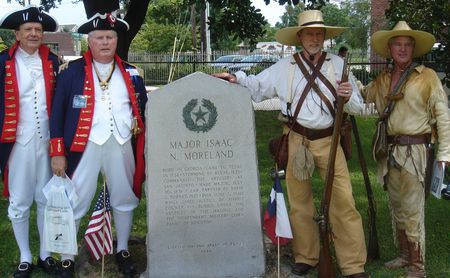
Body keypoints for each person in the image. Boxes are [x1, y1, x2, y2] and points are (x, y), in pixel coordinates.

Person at [213, 10, 368, 278]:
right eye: (309, 33)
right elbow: (257, 86)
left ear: (325, 37)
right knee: (300, 203)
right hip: (297, 140)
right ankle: (306, 256)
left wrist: (349, 94)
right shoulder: (286, 66)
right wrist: (236, 78)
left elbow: (357, 107)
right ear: (300, 36)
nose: (314, 38)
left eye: (319, 33)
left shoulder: (340, 65)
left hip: (330, 142)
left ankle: (353, 265)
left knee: (343, 202)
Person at [49, 11, 147, 278]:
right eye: (99, 37)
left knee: (124, 198)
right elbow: (56, 114)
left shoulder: (132, 72)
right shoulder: (71, 73)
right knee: (75, 199)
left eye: (110, 37)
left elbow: (143, 112)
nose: (105, 42)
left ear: (116, 40)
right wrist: (57, 152)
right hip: (84, 145)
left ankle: (123, 249)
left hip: (122, 143)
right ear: (90, 41)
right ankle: (67, 257)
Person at [363, 21, 450, 278]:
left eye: (407, 45)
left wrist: (445, 153)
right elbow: (363, 96)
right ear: (389, 48)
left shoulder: (427, 77)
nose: (402, 49)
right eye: (397, 44)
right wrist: (344, 89)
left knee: (412, 210)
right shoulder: (383, 79)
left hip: (416, 153)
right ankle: (404, 255)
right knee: (397, 207)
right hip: (390, 153)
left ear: (413, 49)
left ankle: (417, 266)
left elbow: (443, 116)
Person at [0, 5, 60, 278]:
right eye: (28, 30)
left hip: (47, 142)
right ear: (17, 33)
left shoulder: (53, 61)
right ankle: (26, 255)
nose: (34, 34)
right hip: (18, 141)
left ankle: (46, 253)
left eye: (38, 29)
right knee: (20, 201)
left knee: (46, 199)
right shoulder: (2, 62)